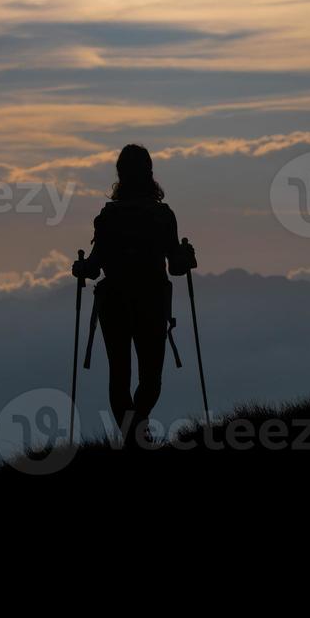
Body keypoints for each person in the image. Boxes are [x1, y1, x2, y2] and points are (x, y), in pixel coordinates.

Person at [72, 144, 195, 448]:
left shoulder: (108, 217)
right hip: (151, 301)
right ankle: (137, 432)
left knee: (119, 374)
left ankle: (132, 437)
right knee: (151, 378)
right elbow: (177, 267)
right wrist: (187, 256)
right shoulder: (162, 215)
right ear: (149, 172)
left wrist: (81, 268)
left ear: (120, 174)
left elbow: (94, 265)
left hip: (113, 302)